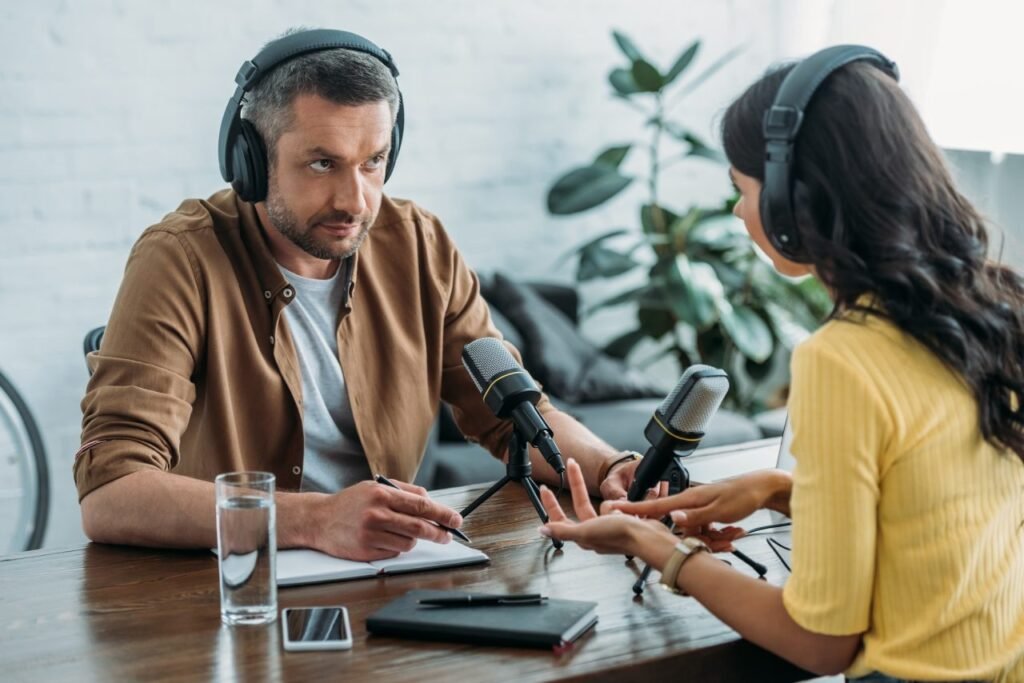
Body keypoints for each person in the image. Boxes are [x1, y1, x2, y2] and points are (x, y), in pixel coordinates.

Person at [539, 46, 1024, 682]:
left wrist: (653, 546)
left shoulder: (842, 360)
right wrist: (780, 491)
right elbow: (945, 520)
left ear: (799, 199)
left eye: (743, 189)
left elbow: (820, 644)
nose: (740, 212)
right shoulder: (1001, 305)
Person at [75, 28, 648, 563]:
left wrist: (612, 466)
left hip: (396, 574)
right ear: (250, 161)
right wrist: (316, 521)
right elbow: (112, 493)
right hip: (234, 592)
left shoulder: (419, 243)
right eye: (322, 163)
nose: (355, 201)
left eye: (373, 162)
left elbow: (515, 415)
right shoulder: (179, 258)